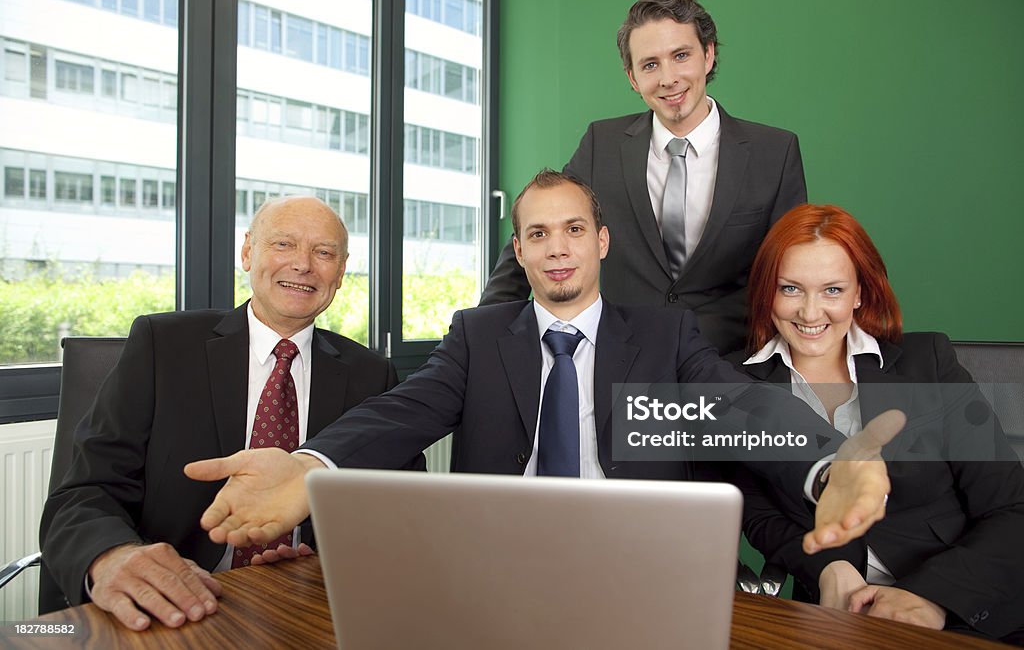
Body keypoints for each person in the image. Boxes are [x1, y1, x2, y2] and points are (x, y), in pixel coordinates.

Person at [184, 170, 900, 566]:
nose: (557, 248)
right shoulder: (477, 336)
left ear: (601, 242)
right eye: (537, 234)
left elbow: (740, 403)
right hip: (499, 566)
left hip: (639, 567)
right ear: (520, 253)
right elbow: (404, 411)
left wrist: (833, 460)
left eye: (573, 230)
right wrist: (311, 462)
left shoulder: (665, 336)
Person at [40, 197, 419, 631]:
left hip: (300, 605)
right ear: (247, 253)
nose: (302, 265)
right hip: (174, 606)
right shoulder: (163, 346)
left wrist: (327, 555)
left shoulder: (372, 375)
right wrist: (113, 556)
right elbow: (82, 493)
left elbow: (399, 507)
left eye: (324, 252)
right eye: (283, 244)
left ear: (341, 271)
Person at [729, 204, 1024, 643]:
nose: (810, 313)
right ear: (766, 292)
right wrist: (829, 568)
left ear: (860, 293)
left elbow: (1012, 509)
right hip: (837, 620)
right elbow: (762, 518)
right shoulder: (733, 385)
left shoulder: (929, 364)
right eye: (790, 289)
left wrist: (928, 599)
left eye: (832, 290)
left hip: (969, 611)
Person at [481, 0, 806, 354]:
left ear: (708, 54)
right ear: (633, 77)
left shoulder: (774, 152)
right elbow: (539, 227)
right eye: (650, 64)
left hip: (730, 364)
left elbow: (793, 271)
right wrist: (477, 334)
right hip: (622, 361)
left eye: (681, 56)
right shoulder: (600, 144)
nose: (668, 78)